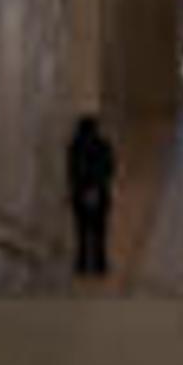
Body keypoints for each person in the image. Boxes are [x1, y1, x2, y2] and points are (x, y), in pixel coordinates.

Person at [65, 112, 117, 279]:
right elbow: (110, 169)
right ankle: (100, 265)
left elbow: (72, 171)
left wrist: (79, 188)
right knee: (99, 231)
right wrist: (97, 186)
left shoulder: (74, 146)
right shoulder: (103, 145)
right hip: (100, 192)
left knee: (81, 231)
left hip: (80, 193)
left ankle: (82, 264)